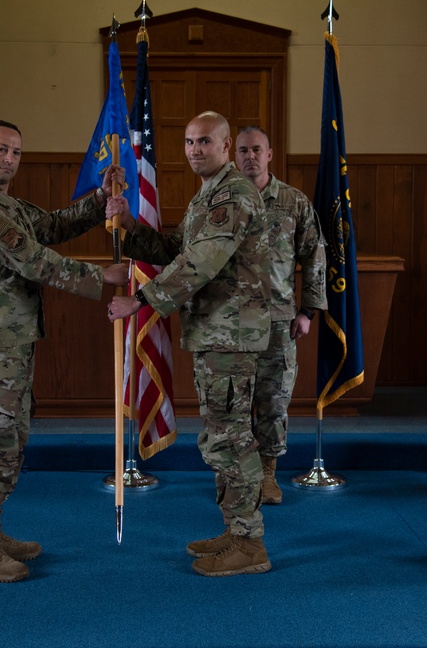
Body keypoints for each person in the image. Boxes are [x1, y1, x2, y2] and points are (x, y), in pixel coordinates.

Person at [0, 119, 127, 583]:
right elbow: (30, 257)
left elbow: (48, 226)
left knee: (9, 440)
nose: (9, 159)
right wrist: (98, 277)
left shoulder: (2, 203)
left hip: (8, 342)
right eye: (1, 150)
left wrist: (97, 202)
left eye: (16, 153)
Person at [106, 111, 272, 577]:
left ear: (225, 147)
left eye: (205, 142)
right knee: (220, 435)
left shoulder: (234, 194)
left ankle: (249, 543)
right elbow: (178, 249)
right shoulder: (208, 195)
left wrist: (140, 300)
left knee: (232, 438)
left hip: (232, 335)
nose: (195, 150)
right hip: (215, 332)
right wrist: (131, 229)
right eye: (189, 142)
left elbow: (201, 262)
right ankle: (234, 529)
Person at [234, 126, 327, 504]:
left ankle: (268, 475)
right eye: (242, 150)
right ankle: (240, 479)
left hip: (278, 320)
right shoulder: (221, 200)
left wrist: (308, 311)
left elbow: (314, 257)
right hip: (231, 322)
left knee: (273, 402)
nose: (250, 157)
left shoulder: (293, 202)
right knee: (234, 404)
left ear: (270, 154)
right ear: (233, 155)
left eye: (257, 149)